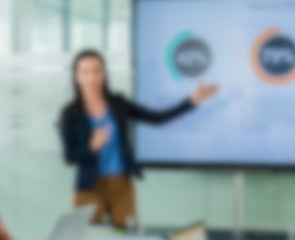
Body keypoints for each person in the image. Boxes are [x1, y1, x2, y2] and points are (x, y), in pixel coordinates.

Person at [58, 49, 219, 227]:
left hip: (121, 184)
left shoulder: (118, 104)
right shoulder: (70, 114)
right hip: (89, 187)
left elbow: (157, 118)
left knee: (126, 237)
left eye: (97, 71)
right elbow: (69, 157)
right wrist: (92, 147)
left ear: (104, 74)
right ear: (77, 77)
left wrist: (192, 101)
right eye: (86, 72)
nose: (92, 78)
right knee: (88, 238)